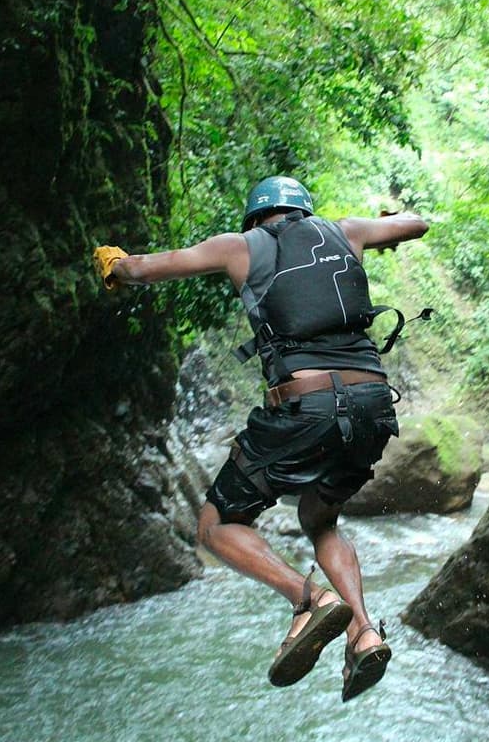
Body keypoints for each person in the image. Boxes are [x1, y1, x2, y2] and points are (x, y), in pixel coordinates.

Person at [93, 175, 428, 701]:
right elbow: (417, 224)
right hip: (373, 407)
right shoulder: (345, 231)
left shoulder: (239, 247)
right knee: (320, 520)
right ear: (303, 211)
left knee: (217, 524)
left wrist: (114, 263)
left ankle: (309, 600)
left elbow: (143, 269)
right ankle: (362, 630)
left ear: (256, 217)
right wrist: (388, 221)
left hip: (306, 405)